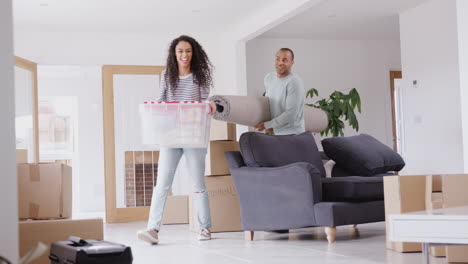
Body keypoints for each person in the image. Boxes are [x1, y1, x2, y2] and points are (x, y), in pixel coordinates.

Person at [137, 35, 215, 245]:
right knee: (162, 184)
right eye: (180, 51)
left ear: (193, 53)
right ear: (174, 53)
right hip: (171, 135)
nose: (184, 55)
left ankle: (205, 227)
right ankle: (152, 229)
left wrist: (207, 106)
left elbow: (203, 102)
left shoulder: (200, 76)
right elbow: (162, 101)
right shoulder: (166, 75)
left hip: (193, 135)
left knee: (198, 185)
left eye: (188, 51)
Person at [255, 48, 305, 135]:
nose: (280, 63)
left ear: (292, 63)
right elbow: (270, 103)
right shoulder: (269, 78)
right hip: (278, 133)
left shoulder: (294, 81)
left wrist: (267, 125)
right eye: (278, 59)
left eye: (285, 60)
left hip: (293, 134)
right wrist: (270, 126)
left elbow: (291, 114)